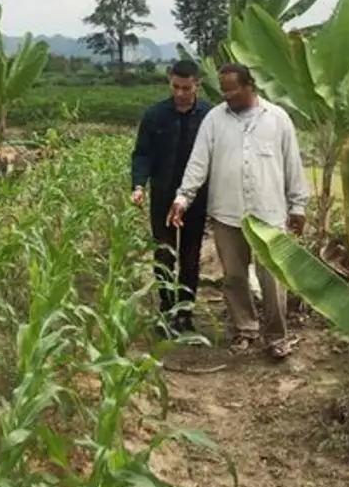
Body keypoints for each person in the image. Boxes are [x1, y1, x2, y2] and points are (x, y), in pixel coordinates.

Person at [167, 62, 309, 360]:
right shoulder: (214, 120)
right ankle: (245, 329)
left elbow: (292, 164)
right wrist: (183, 198)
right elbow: (198, 163)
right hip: (227, 213)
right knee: (234, 276)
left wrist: (298, 206)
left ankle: (276, 336)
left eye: (233, 90)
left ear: (249, 86)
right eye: (223, 91)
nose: (227, 96)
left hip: (268, 214)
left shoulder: (278, 119)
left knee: (272, 278)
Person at [131, 59, 212, 335]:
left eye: (186, 88)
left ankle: (185, 312)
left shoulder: (209, 116)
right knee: (164, 255)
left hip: (196, 199)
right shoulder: (155, 115)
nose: (180, 93)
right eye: (176, 87)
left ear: (197, 85)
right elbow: (142, 153)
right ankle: (165, 310)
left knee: (191, 257)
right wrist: (138, 185)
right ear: (170, 82)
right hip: (163, 196)